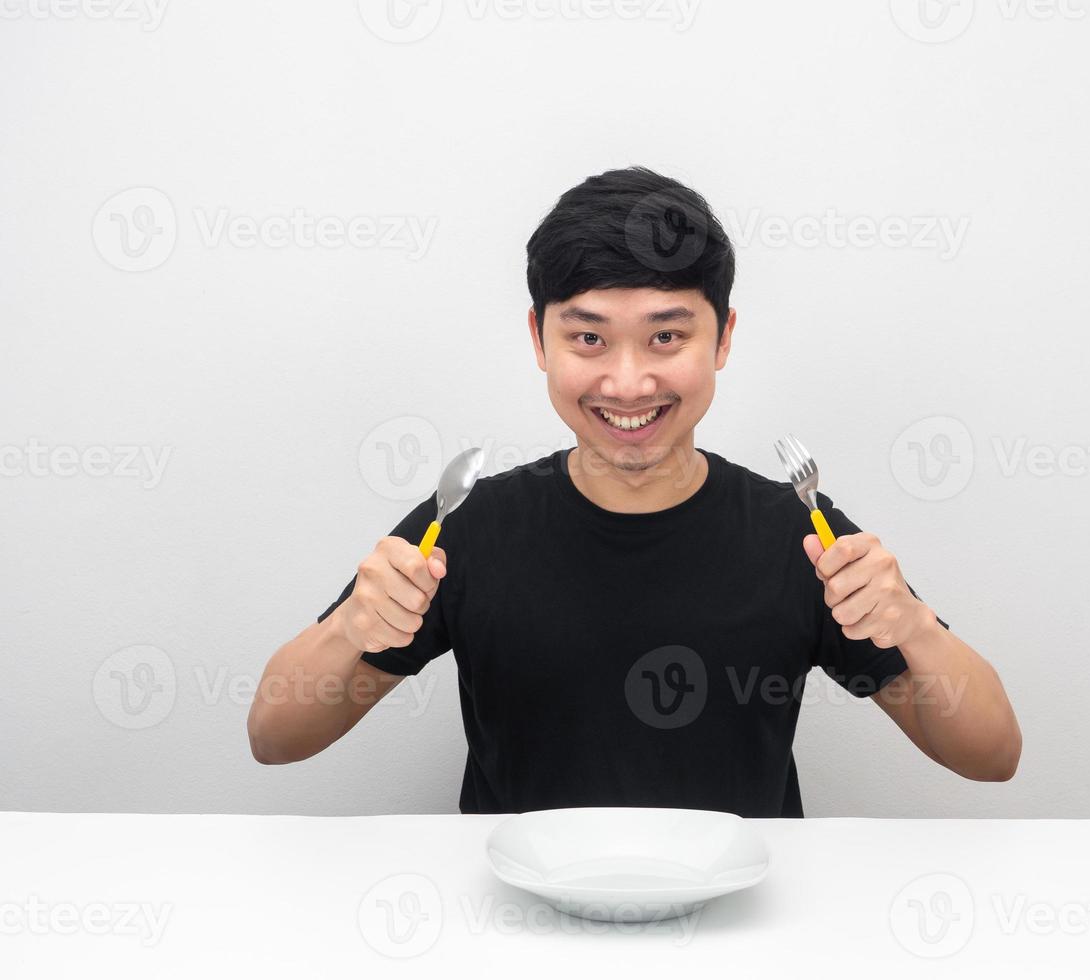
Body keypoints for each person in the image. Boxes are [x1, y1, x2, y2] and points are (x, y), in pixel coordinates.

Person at [246, 166, 1022, 817]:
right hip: (518, 930)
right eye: (587, 337)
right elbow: (275, 737)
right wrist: (352, 624)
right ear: (537, 341)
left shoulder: (800, 532)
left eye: (666, 336)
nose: (626, 382)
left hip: (738, 932)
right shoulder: (468, 524)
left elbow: (990, 755)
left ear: (722, 339)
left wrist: (913, 626)